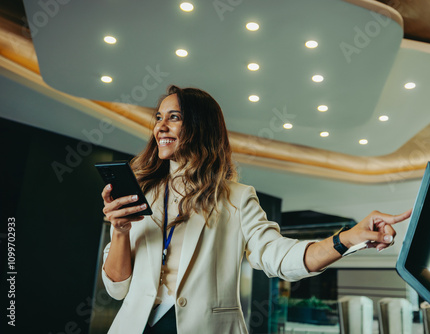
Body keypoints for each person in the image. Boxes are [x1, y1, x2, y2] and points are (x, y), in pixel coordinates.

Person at [101, 85, 411, 334]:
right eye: (158, 118)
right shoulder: (141, 195)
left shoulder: (236, 197)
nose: (161, 127)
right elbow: (117, 289)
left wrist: (348, 238)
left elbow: (278, 256)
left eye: (174, 117)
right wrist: (120, 231)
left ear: (200, 127)